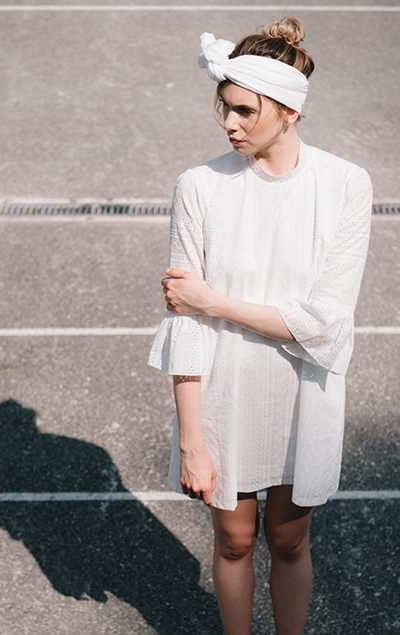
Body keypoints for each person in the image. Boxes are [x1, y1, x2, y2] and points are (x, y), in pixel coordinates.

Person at [147, 17, 372, 635]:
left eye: (245, 111)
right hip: (226, 393)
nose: (230, 124)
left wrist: (213, 302)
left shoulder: (346, 185)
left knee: (290, 541)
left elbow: (323, 325)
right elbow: (183, 326)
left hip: (305, 393)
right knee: (236, 540)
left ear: (289, 111)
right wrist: (192, 440)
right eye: (224, 109)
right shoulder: (198, 187)